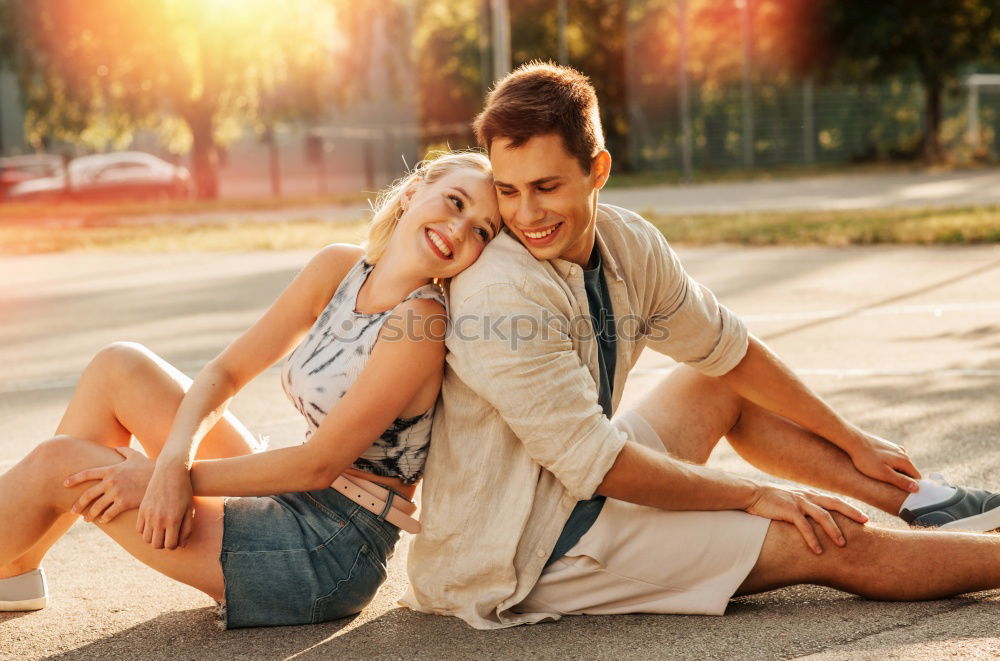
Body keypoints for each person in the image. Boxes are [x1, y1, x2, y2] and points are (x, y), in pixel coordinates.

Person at [402, 63, 1000, 629]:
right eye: (506, 190)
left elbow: (728, 350)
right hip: (525, 550)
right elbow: (600, 465)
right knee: (830, 538)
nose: (525, 214)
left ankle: (927, 502)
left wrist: (854, 440)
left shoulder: (627, 241)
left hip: (576, 484)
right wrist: (756, 495)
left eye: (546, 186)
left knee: (716, 382)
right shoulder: (500, 291)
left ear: (597, 171)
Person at [0, 151, 500, 628]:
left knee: (58, 463)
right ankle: (15, 568)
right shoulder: (339, 268)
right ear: (414, 192)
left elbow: (317, 464)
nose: (458, 230)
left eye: (481, 229)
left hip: (331, 547)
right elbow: (227, 372)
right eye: (455, 202)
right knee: (119, 366)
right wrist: (173, 460)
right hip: (295, 495)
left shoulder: (420, 323)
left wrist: (166, 479)